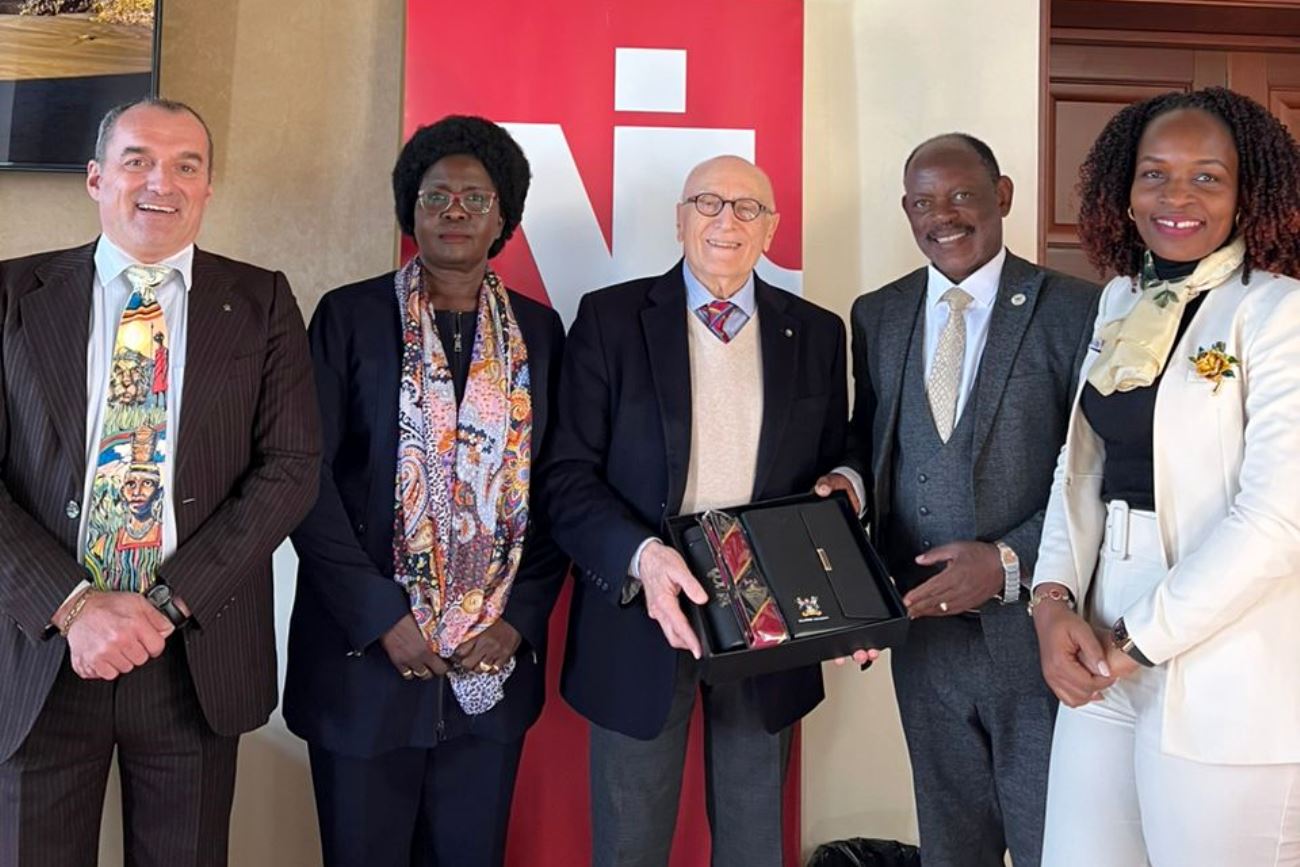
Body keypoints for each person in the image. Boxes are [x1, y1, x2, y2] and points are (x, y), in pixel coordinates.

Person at [0, 97, 321, 865]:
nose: (161, 182)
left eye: (187, 165)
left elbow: (291, 468)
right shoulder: (11, 294)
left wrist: (166, 605)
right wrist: (71, 605)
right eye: (138, 159)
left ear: (209, 186)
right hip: (41, 648)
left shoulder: (262, 302)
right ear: (95, 178)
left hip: (190, 658)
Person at [547, 155, 847, 867]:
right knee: (630, 843)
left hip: (770, 613)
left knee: (753, 842)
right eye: (708, 203)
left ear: (770, 231)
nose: (726, 221)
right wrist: (643, 558)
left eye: (747, 209)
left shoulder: (817, 333)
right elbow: (565, 478)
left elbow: (842, 457)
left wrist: (848, 483)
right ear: (679, 219)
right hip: (640, 606)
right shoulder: (610, 319)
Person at [285, 115, 568, 867]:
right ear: (410, 208)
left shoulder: (540, 334)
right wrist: (381, 615)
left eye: (476, 198)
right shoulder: (348, 318)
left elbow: (557, 489)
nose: (454, 211)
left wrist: (521, 620)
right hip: (363, 664)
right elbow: (301, 479)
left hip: (489, 664)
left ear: (504, 217)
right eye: (436, 195)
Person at [1031, 87, 1300, 866]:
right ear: (1126, 187)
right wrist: (1051, 604)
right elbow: (1080, 466)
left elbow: (1278, 519)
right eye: (1155, 174)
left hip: (1227, 650)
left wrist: (1137, 640)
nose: (1176, 197)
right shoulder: (1122, 298)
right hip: (1100, 628)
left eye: (1207, 177)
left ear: (1249, 191)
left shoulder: (1278, 314)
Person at [818, 134, 1098, 867]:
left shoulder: (1078, 310)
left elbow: (1097, 473)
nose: (942, 215)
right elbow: (868, 433)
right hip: (925, 641)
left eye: (961, 195)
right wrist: (844, 486)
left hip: (1038, 633)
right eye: (922, 202)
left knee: (1053, 843)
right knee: (951, 846)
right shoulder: (878, 312)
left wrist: (1007, 561)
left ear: (1002, 195)